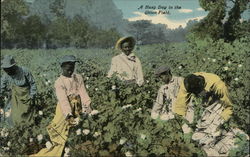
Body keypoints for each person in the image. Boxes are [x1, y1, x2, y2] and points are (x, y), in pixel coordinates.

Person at [32, 55, 92, 156]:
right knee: (62, 128)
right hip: (64, 109)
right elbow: (63, 99)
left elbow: (83, 92)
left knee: (77, 127)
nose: (70, 71)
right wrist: (68, 114)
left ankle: (73, 148)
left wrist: (87, 105)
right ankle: (60, 149)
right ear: (62, 67)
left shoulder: (78, 77)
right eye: (68, 69)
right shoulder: (59, 82)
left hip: (77, 106)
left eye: (72, 68)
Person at [173, 72, 234, 156]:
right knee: (197, 133)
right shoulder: (187, 83)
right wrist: (182, 126)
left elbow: (229, 107)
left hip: (217, 102)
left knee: (215, 133)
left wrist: (221, 121)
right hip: (204, 106)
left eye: (199, 92)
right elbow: (180, 105)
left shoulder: (218, 85)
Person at [0, 55, 37, 126]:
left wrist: (32, 96)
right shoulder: (6, 75)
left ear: (13, 66)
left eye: (8, 68)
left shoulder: (24, 71)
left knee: (26, 117)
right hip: (14, 98)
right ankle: (15, 130)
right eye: (5, 69)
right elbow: (1, 87)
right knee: (11, 117)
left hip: (26, 97)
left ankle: (28, 130)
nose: (6, 71)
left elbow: (32, 83)